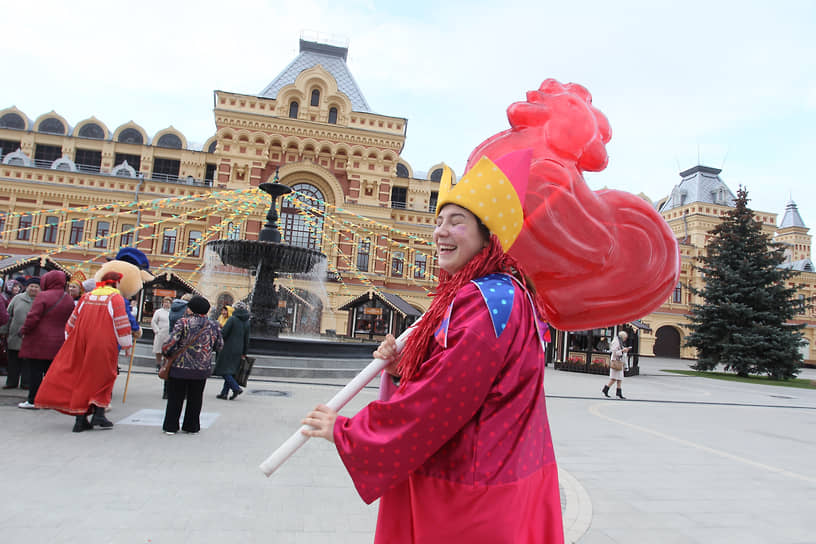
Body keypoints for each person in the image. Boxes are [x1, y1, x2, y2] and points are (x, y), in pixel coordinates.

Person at [301, 150, 564, 543]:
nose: (440, 232)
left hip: (471, 490)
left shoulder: (483, 300)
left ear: (487, 234)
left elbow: (442, 397)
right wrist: (403, 367)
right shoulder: (507, 294)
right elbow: (476, 381)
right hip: (509, 474)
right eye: (438, 221)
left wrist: (349, 431)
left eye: (456, 222)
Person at [34, 271, 133, 432]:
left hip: (81, 342)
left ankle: (80, 418)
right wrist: (126, 344)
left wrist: (70, 340)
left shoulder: (86, 297)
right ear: (116, 283)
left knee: (82, 377)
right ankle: (99, 413)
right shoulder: (115, 298)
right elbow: (121, 323)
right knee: (104, 377)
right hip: (103, 344)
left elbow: (72, 321)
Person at [161, 295, 222, 435]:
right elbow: (220, 345)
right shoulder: (213, 325)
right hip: (201, 368)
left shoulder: (183, 322)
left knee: (175, 397)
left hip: (180, 367)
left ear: (191, 308)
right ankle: (191, 426)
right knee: (196, 398)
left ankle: (171, 426)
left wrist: (166, 352)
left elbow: (170, 343)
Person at [17, 271, 75, 409]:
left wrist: (24, 330)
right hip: (59, 341)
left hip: (39, 340)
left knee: (35, 372)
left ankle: (33, 400)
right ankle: (51, 400)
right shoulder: (68, 298)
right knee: (52, 373)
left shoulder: (43, 295)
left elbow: (33, 317)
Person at [1, 277, 40, 390]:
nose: (33, 289)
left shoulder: (41, 300)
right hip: (15, 334)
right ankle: (11, 382)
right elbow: (8, 315)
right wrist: (4, 331)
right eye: (31, 286)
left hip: (32, 336)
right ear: (26, 287)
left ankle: (26, 383)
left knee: (28, 362)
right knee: (13, 360)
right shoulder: (17, 298)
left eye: (36, 287)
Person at [213, 301, 250, 400]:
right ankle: (224, 393)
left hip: (228, 348)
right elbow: (247, 339)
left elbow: (224, 334)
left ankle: (236, 388)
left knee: (223, 369)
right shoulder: (246, 321)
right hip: (239, 350)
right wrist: (244, 352)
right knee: (231, 371)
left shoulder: (232, 319)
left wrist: (218, 332)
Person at [602, 330, 630, 399]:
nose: (625, 339)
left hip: (619, 362)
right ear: (622, 337)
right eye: (625, 338)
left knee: (619, 378)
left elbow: (619, 350)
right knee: (614, 378)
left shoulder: (619, 342)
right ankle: (606, 389)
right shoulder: (616, 342)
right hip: (615, 362)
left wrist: (625, 349)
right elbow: (614, 352)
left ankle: (618, 393)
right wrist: (623, 351)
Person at [151, 297, 173, 370]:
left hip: (168, 333)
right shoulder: (158, 312)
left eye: (168, 303)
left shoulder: (172, 312)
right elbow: (153, 322)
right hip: (160, 333)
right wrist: (157, 330)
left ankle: (165, 365)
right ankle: (158, 364)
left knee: (166, 350)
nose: (166, 304)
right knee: (158, 350)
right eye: (165, 302)